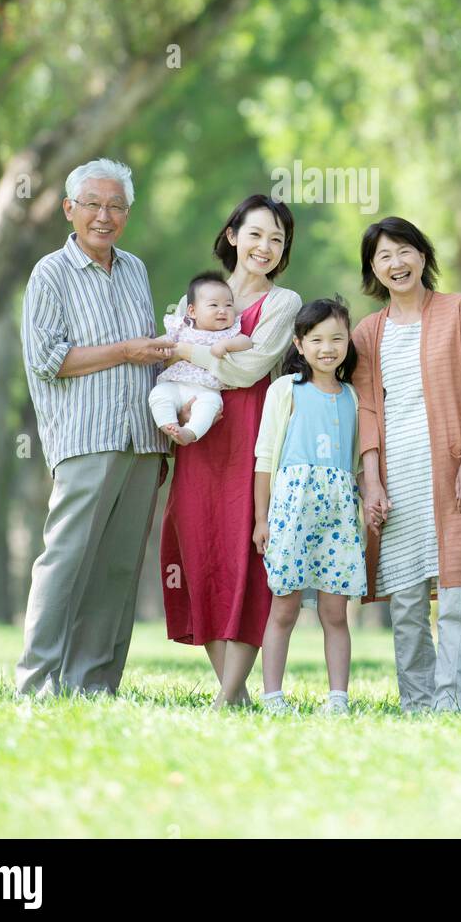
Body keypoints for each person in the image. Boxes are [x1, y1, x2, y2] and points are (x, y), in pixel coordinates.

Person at [16, 158, 179, 698]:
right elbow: (48, 359)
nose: (104, 216)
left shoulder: (134, 269)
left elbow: (148, 352)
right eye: (93, 204)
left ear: (127, 214)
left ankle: (94, 685)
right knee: (65, 562)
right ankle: (37, 683)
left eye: (116, 206)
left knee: (116, 573)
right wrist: (126, 352)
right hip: (85, 439)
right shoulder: (50, 273)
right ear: (70, 209)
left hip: (141, 442)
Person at [160, 194, 301, 709]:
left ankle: (224, 698)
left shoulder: (282, 302)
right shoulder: (197, 295)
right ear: (233, 234)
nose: (265, 247)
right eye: (256, 234)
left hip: (250, 435)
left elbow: (248, 370)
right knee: (200, 550)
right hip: (200, 437)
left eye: (277, 240)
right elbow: (169, 367)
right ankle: (234, 693)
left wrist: (184, 349)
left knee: (245, 555)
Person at [352, 217, 461, 713]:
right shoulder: (367, 333)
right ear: (373, 269)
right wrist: (371, 483)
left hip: (456, 469)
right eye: (384, 256)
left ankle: (451, 702)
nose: (397, 263)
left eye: (405, 251)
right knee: (408, 603)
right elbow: (367, 409)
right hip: (399, 480)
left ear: (422, 254)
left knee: (457, 595)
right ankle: (417, 703)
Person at [253, 297, 365, 716]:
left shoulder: (353, 397)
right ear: (299, 344)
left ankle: (338, 698)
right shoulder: (286, 390)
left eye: (337, 338)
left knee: (335, 611)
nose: (327, 348)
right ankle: (272, 696)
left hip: (337, 513)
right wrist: (261, 519)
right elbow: (265, 459)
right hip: (292, 510)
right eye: (316, 339)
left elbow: (354, 465)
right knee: (284, 607)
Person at [148, 272, 253, 446]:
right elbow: (163, 341)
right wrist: (151, 345)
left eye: (228, 305)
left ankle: (189, 432)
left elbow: (247, 342)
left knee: (210, 406)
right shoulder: (181, 328)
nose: (223, 310)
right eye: (213, 305)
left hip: (206, 389)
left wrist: (227, 345)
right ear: (192, 311)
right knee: (159, 394)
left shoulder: (229, 333)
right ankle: (169, 424)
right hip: (175, 384)